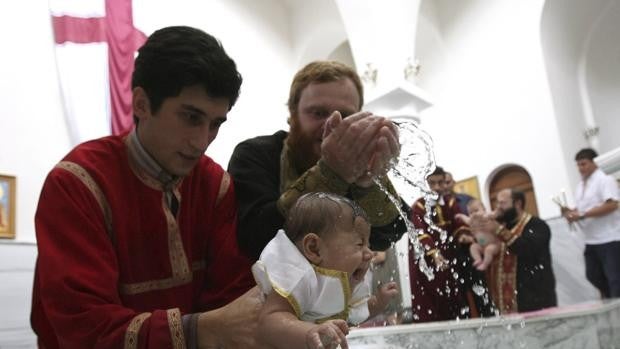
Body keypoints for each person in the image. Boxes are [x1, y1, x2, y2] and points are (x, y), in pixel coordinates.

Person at [31, 26, 264, 348]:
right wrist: (199, 330)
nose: (202, 142)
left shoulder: (215, 185)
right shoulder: (77, 183)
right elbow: (84, 327)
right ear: (141, 103)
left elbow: (231, 297)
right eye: (191, 117)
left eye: (215, 124)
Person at [228, 60, 408, 261]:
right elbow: (255, 238)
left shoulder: (358, 164)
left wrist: (368, 182)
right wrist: (331, 173)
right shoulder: (256, 154)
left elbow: (388, 235)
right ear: (293, 114)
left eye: (346, 115)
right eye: (318, 113)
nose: (332, 125)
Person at [253, 192, 398, 349]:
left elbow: (350, 317)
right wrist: (309, 332)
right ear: (314, 249)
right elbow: (269, 322)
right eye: (359, 244)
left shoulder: (343, 284)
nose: (370, 253)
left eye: (368, 245)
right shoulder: (299, 278)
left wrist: (376, 303)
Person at [408, 166, 486, 322]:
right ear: (425, 184)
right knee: (431, 296)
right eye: (432, 183)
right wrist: (434, 253)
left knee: (453, 293)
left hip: (449, 255)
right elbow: (420, 232)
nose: (436, 187)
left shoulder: (449, 203)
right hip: (428, 258)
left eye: (440, 183)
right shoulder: (418, 206)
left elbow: (458, 222)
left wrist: (463, 235)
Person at [471, 188, 557, 314]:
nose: (498, 207)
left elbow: (525, 249)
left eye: (503, 203)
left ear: (517, 204)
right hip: (502, 300)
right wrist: (478, 230)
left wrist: (499, 230)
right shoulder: (501, 225)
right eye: (497, 203)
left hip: (533, 299)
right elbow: (483, 245)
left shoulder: (537, 225)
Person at [562, 148, 620, 298]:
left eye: (584, 164)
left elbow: (612, 205)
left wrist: (581, 214)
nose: (581, 168)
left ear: (594, 163)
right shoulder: (580, 186)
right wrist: (570, 211)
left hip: (609, 238)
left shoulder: (605, 180)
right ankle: (609, 302)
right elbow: (582, 208)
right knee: (593, 275)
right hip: (591, 240)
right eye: (578, 165)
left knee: (615, 279)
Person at [456, 199, 501, 271]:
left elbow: (493, 214)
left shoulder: (486, 216)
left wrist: (497, 211)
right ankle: (478, 259)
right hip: (481, 245)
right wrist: (461, 216)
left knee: (488, 250)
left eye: (476, 211)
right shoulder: (472, 220)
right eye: (471, 213)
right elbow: (467, 220)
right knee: (473, 247)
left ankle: (485, 264)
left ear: (484, 209)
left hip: (494, 244)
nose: (474, 214)